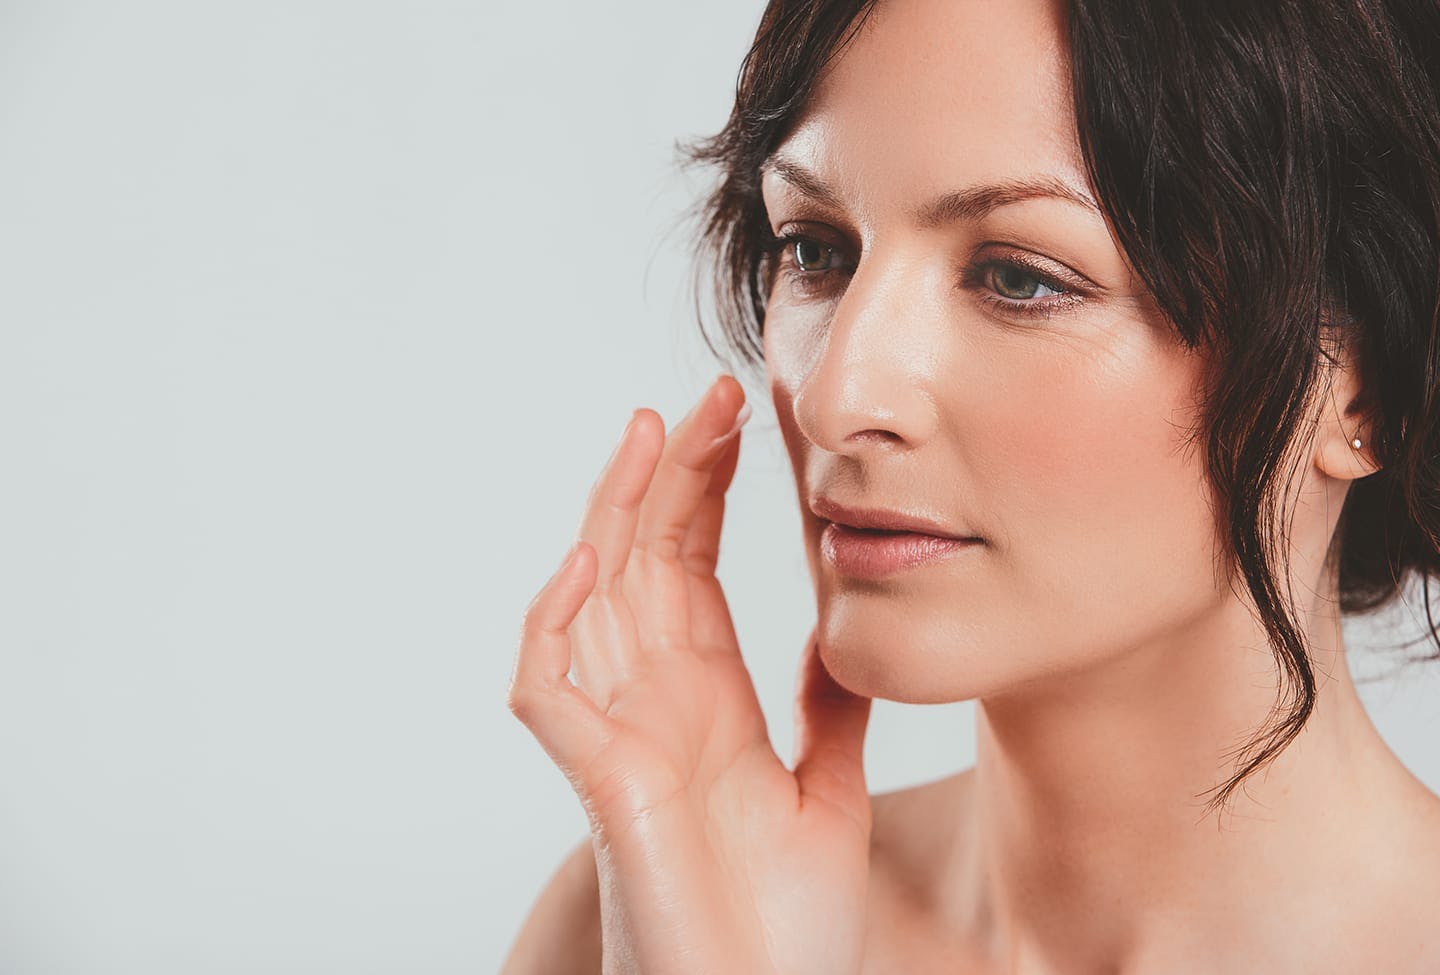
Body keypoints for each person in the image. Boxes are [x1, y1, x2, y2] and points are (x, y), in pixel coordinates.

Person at [503, 0, 1440, 970]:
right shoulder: (653, 915)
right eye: (815, 251)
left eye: (1019, 278)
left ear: (1358, 382)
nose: (832, 397)